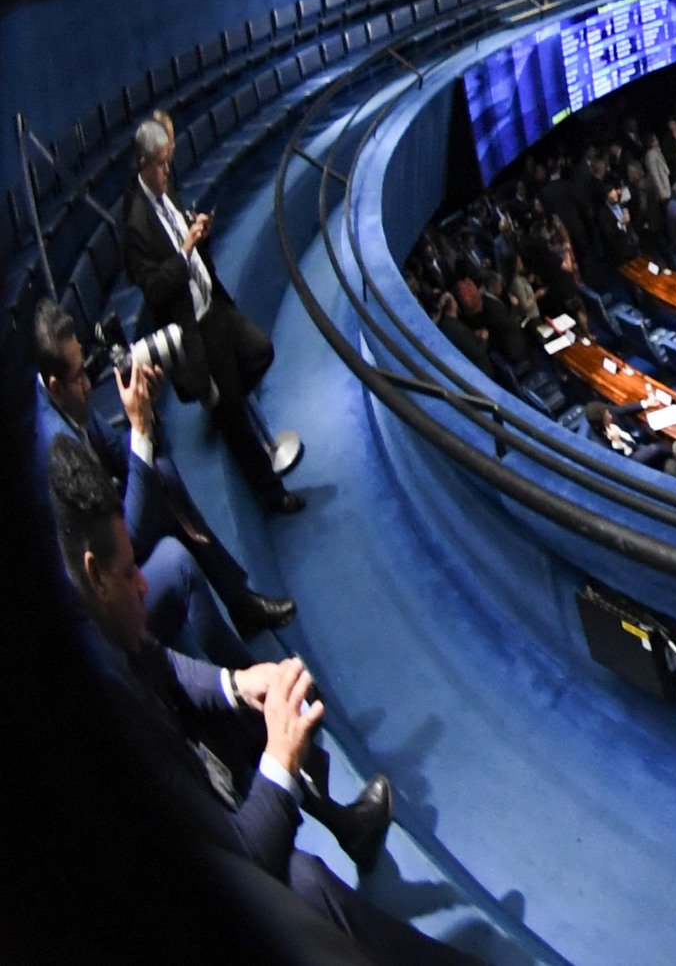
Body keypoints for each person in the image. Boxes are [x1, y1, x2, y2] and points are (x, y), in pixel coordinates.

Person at [48, 439, 474, 964]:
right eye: (129, 572)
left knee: (255, 718)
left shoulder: (83, 609)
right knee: (305, 883)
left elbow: (157, 660)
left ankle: (349, 828)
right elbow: (246, 861)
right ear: (95, 574)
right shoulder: (112, 709)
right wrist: (281, 761)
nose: (142, 584)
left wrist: (237, 683)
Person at [30, 301, 292, 662]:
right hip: (102, 619)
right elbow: (128, 539)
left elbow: (127, 457)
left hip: (114, 558)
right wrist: (137, 427)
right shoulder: (55, 449)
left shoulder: (65, 399)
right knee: (176, 562)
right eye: (79, 378)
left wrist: (146, 412)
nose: (89, 385)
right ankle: (249, 681)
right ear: (55, 387)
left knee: (162, 472)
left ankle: (240, 601)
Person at [120, 120, 295, 513]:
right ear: (145, 162)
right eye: (163, 164)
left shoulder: (166, 192)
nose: (169, 171)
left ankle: (220, 406)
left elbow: (187, 238)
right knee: (237, 421)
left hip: (213, 304)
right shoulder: (134, 224)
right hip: (193, 328)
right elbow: (154, 291)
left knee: (261, 351)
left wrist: (200, 231)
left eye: (170, 162)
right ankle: (273, 496)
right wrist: (184, 251)